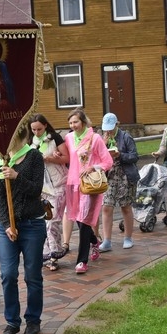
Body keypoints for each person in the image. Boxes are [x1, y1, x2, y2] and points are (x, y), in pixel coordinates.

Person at [0, 124, 46, 334]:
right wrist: (7, 224)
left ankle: (33, 319)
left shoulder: (34, 157)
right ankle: (12, 322)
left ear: (20, 136)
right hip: (8, 227)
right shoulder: (1, 160)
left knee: (32, 275)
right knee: (8, 275)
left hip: (32, 225)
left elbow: (36, 190)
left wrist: (16, 176)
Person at [64, 108, 113, 274]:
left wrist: (93, 167)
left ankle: (81, 261)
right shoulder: (69, 138)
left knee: (84, 220)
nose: (73, 125)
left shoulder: (95, 138)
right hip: (72, 183)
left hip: (90, 185)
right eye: (70, 123)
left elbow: (108, 161)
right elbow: (66, 157)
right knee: (77, 218)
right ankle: (94, 241)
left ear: (83, 121)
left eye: (76, 122)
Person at [30, 113, 70, 271]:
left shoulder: (55, 138)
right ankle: (46, 254)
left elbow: (66, 158)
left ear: (45, 126)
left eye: (39, 129)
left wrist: (51, 158)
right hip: (41, 188)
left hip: (58, 184)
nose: (36, 132)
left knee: (53, 221)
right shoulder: (31, 142)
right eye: (33, 129)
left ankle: (55, 254)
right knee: (44, 221)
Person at [98, 113, 139, 251]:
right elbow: (97, 157)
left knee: (125, 206)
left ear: (117, 124)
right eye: (106, 128)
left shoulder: (126, 137)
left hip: (125, 175)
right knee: (106, 206)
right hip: (110, 175)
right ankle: (107, 240)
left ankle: (128, 237)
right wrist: (103, 146)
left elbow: (134, 156)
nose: (108, 131)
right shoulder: (103, 138)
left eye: (110, 128)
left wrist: (120, 155)